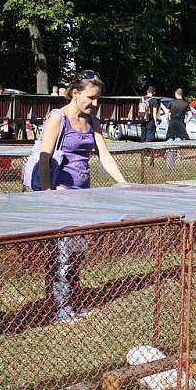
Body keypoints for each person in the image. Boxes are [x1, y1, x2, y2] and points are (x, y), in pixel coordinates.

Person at [22, 69, 127, 323]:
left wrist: (123, 181)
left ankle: (69, 297)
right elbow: (45, 157)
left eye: (97, 98)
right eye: (91, 97)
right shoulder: (58, 118)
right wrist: (48, 195)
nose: (95, 103)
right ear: (75, 93)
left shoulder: (92, 121)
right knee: (60, 253)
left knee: (77, 252)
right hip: (60, 196)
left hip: (83, 196)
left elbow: (104, 155)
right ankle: (58, 305)